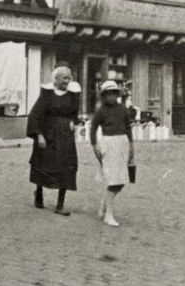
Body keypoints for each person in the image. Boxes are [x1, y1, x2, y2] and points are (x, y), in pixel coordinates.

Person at [26, 66, 81, 216]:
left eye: (69, 78)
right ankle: (39, 192)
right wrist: (39, 135)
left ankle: (60, 204)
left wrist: (72, 121)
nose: (68, 81)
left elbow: (75, 112)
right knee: (43, 164)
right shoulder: (47, 95)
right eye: (65, 78)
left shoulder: (73, 94)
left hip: (65, 137)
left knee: (66, 166)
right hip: (48, 135)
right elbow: (34, 116)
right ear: (55, 79)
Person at [90, 80, 134, 227]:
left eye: (114, 93)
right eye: (108, 94)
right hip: (108, 144)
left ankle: (104, 202)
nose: (111, 96)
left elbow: (128, 129)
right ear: (103, 96)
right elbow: (93, 128)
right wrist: (95, 145)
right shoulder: (101, 111)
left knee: (121, 181)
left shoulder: (123, 109)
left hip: (122, 143)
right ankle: (108, 215)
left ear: (117, 94)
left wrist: (131, 147)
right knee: (112, 180)